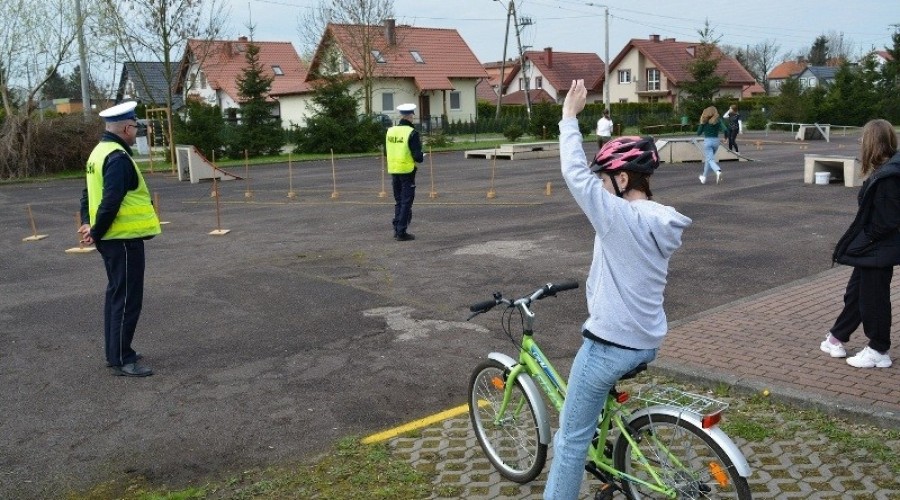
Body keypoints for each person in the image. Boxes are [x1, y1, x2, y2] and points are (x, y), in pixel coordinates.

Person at [545, 80, 692, 499]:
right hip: (646, 339)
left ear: (624, 177)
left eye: (608, 178)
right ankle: (613, 471)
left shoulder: (618, 217)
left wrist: (568, 119)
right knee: (592, 418)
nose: (603, 187)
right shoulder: (658, 218)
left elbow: (576, 177)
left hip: (610, 344)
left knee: (570, 441)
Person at [79, 101, 161, 377]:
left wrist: (87, 224)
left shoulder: (98, 153)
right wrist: (96, 229)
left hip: (112, 239)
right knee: (126, 299)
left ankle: (115, 352)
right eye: (136, 126)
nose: (136, 130)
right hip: (122, 239)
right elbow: (110, 200)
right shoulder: (117, 157)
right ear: (127, 127)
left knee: (116, 295)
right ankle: (123, 359)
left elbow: (87, 193)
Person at [821, 119, 899, 369]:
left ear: (871, 143)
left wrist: (865, 241)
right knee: (856, 293)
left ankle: (878, 350)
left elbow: (887, 220)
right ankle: (835, 337)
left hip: (878, 248)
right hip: (875, 247)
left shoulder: (889, 176)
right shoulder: (889, 169)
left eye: (863, 139)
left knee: (873, 300)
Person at [385, 103, 424, 241]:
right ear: (410, 116)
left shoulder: (390, 131)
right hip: (407, 171)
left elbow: (387, 152)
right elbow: (417, 156)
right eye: (413, 116)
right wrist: (421, 155)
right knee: (407, 202)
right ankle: (401, 231)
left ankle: (396, 229)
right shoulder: (412, 133)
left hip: (394, 170)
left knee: (399, 201)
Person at [696, 105, 728, 184]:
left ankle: (718, 171)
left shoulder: (704, 121)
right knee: (708, 159)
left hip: (707, 141)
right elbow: (726, 130)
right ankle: (703, 177)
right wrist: (725, 138)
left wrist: (701, 123)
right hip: (716, 142)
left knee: (710, 159)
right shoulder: (718, 120)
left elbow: (698, 133)